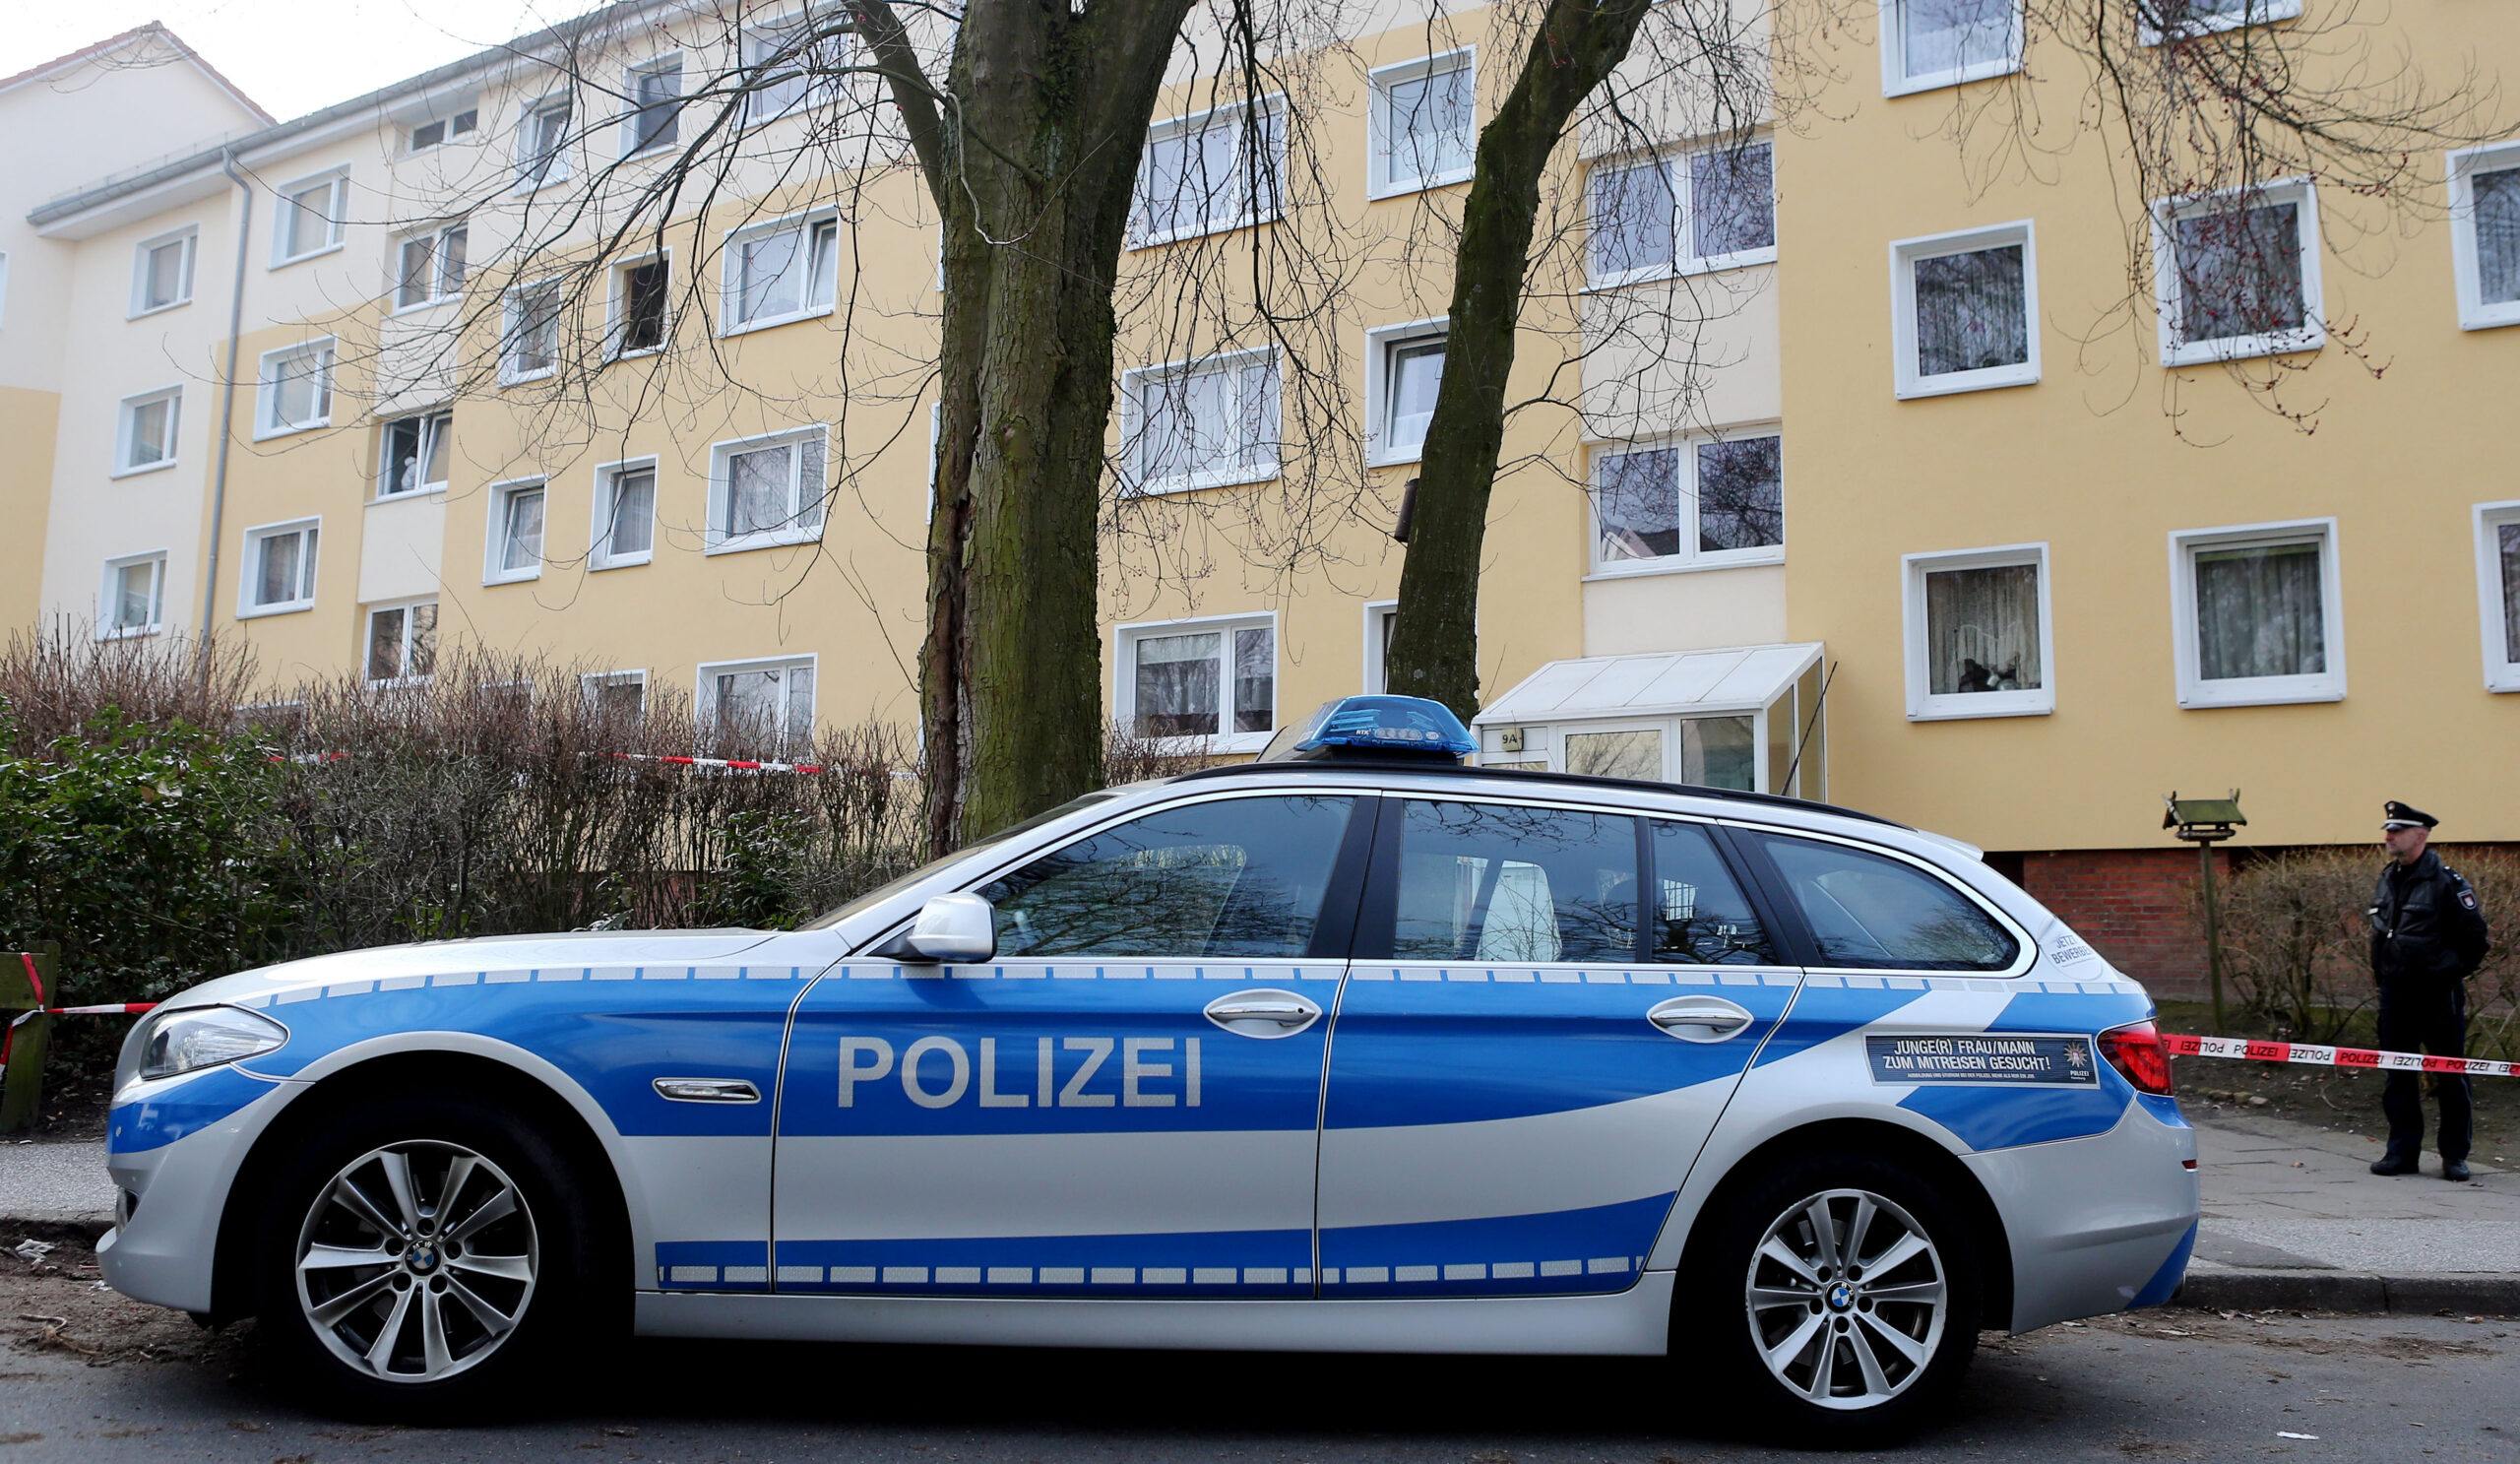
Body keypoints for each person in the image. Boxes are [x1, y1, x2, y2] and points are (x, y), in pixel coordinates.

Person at [2366, 801, 2489, 1180]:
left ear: (2420, 836)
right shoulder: (2388, 878)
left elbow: (2475, 941)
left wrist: (2442, 973)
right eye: (2388, 830)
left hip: (2437, 996)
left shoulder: (2448, 883)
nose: (2389, 836)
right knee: (2397, 1075)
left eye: (2397, 831)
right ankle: (2402, 1153)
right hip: (2395, 994)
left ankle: (2454, 1156)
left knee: (2450, 1075)